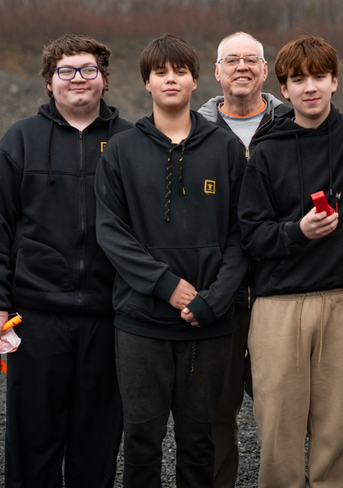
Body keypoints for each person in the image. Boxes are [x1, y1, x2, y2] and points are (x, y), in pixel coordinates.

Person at [198, 31, 343, 488]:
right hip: (278, 304)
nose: (310, 87)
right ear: (283, 90)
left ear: (336, 81)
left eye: (320, 77)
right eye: (299, 80)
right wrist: (297, 232)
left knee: (335, 425)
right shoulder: (268, 150)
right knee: (278, 425)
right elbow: (252, 234)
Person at [0, 34, 131, 488]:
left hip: (110, 317)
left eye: (88, 69)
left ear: (103, 79)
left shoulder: (130, 140)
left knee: (97, 443)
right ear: (49, 82)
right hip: (36, 317)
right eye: (66, 70)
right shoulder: (20, 140)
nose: (77, 78)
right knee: (33, 442)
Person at [95, 34, 248, 488]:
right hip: (141, 322)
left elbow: (241, 236)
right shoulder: (121, 150)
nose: (170, 79)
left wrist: (213, 300)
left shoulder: (225, 151)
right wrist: (165, 285)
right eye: (160, 72)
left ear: (196, 81)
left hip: (208, 323)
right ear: (146, 82)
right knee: (142, 439)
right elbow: (111, 232)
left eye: (180, 71)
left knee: (198, 440)